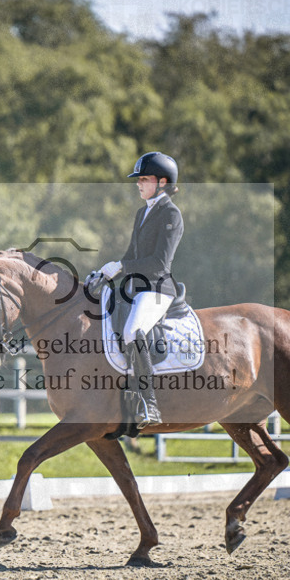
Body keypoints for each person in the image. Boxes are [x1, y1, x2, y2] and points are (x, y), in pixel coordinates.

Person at [98, 152, 184, 429]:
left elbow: (159, 263)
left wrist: (122, 266)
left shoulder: (171, 214)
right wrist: (106, 272)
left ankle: (150, 404)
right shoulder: (142, 212)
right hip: (136, 288)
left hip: (158, 288)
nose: (139, 183)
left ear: (162, 182)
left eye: (144, 179)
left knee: (133, 331)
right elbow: (131, 254)